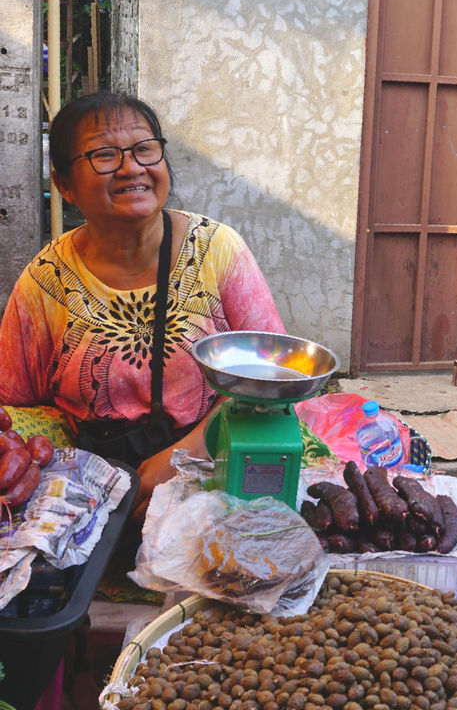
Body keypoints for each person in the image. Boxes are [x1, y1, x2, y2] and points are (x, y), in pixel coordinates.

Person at [0, 92, 285, 517]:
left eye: (144, 148)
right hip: (89, 495)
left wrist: (185, 454)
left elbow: (274, 378)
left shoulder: (216, 251)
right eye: (104, 155)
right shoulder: (47, 281)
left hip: (209, 474)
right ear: (64, 185)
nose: (132, 167)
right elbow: (14, 409)